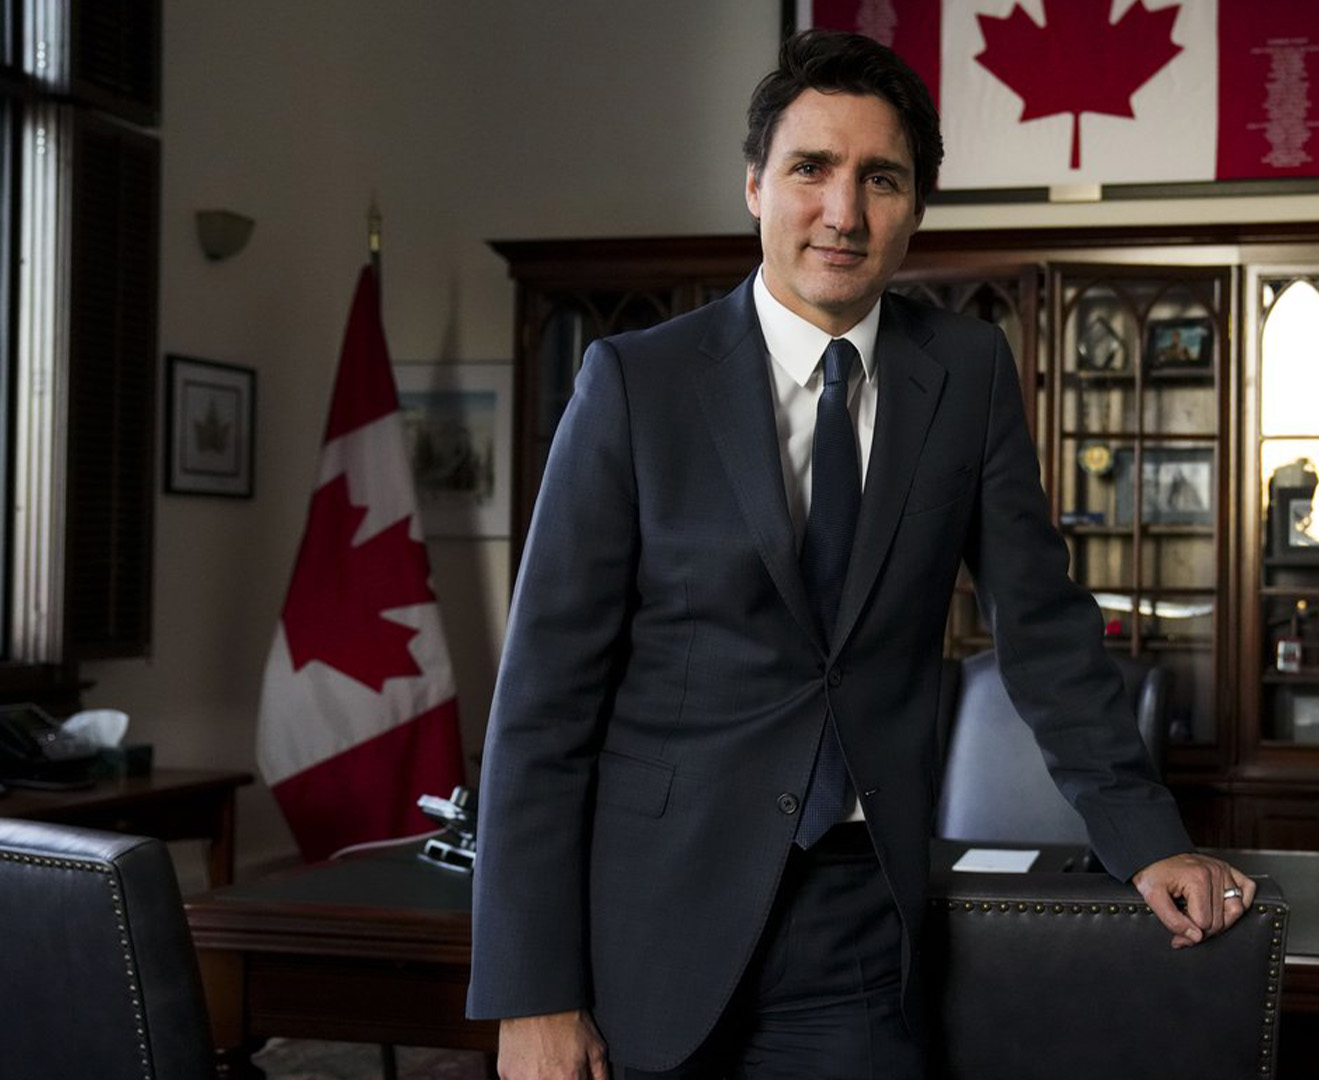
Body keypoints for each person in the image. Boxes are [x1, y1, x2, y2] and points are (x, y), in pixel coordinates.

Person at [467, 30, 1256, 1080]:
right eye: (811, 170)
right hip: (648, 918)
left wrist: (1145, 831)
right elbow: (543, 705)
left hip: (854, 914)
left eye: (880, 179)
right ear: (754, 184)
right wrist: (534, 992)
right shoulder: (633, 386)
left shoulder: (966, 372)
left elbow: (1045, 627)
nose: (843, 213)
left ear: (917, 207)